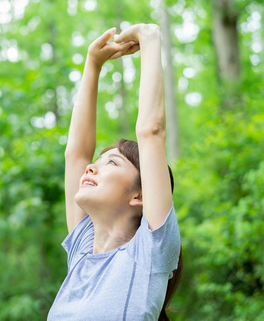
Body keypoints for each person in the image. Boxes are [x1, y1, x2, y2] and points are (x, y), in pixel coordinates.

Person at [47, 24, 182, 320]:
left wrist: (149, 38)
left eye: (112, 162)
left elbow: (151, 131)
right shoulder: (82, 254)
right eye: (100, 160)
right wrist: (93, 64)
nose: (91, 167)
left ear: (139, 196)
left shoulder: (150, 253)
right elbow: (77, 155)